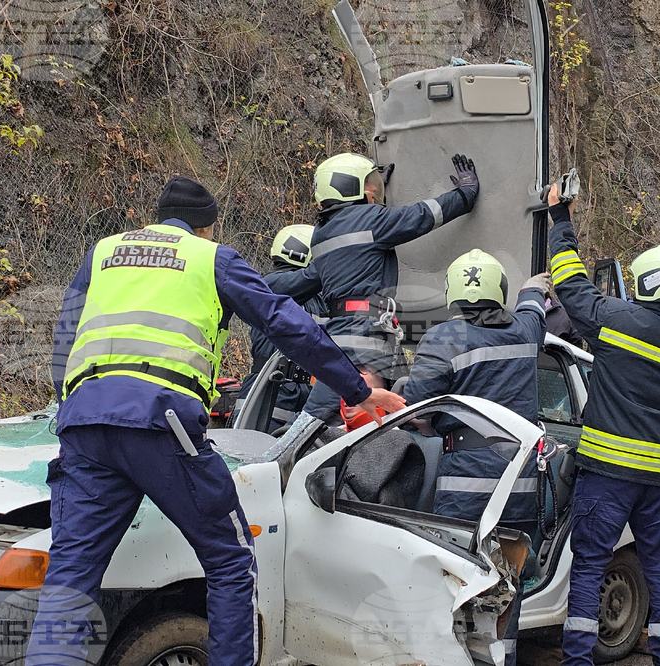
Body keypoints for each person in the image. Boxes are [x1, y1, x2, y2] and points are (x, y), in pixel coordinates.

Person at [30, 176, 405, 666]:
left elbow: (65, 335)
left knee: (70, 579)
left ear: (158, 215)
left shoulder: (103, 253)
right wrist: (356, 390)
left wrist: (72, 406)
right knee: (228, 562)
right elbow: (288, 324)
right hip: (163, 426)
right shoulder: (212, 259)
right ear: (209, 226)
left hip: (84, 425)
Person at [546, 184, 660, 666]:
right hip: (659, 483)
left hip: (607, 479)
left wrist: (560, 219)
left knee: (589, 568)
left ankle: (577, 660)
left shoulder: (615, 321)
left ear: (650, 281)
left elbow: (570, 283)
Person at [402, 249, 549, 666]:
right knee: (508, 586)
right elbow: (535, 304)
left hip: (465, 492)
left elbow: (415, 408)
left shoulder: (444, 337)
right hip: (519, 489)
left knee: (458, 587)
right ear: (498, 290)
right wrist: (533, 289)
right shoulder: (524, 329)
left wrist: (434, 423)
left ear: (452, 291)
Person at [300, 152, 479, 422]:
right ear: (351, 189)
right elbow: (420, 217)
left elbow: (362, 240)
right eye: (367, 185)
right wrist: (464, 195)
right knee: (376, 421)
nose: (375, 190)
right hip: (365, 344)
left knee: (317, 420)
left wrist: (370, 195)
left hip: (341, 339)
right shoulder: (371, 221)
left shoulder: (321, 232)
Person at [239, 224, 326, 428]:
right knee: (258, 454)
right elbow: (307, 280)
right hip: (268, 389)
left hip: (302, 388)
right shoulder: (271, 285)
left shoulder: (314, 296)